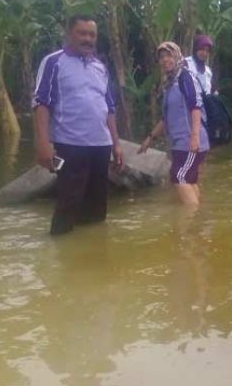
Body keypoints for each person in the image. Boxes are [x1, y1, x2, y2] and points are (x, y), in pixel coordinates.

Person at [33, 14, 123, 235]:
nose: (88, 39)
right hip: (69, 145)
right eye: (82, 33)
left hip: (101, 146)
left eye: (92, 34)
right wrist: (44, 144)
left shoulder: (100, 67)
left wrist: (116, 144)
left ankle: (92, 255)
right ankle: (61, 256)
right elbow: (41, 103)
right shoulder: (54, 62)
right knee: (68, 202)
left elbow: (109, 107)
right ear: (69, 34)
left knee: (97, 206)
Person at [138, 42, 209, 206]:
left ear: (177, 56)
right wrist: (150, 139)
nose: (165, 60)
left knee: (179, 176)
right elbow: (166, 119)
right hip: (179, 142)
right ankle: (200, 223)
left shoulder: (185, 77)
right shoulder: (170, 84)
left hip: (190, 141)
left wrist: (195, 137)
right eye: (161, 57)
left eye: (169, 55)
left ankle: (190, 222)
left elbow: (195, 107)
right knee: (188, 179)